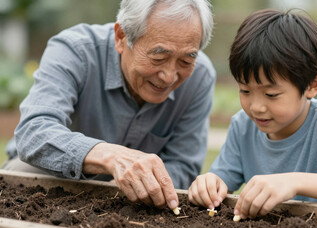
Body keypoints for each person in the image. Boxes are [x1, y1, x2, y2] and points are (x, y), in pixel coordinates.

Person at [3, 0, 215, 211]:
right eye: (159, 58)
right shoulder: (75, 50)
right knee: (20, 177)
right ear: (121, 37)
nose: (169, 76)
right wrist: (111, 157)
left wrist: (134, 186)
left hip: (128, 201)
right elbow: (34, 131)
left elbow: (184, 165)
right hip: (53, 179)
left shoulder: (201, 77)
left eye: (186, 62)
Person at [188, 9, 317, 220]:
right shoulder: (243, 126)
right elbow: (220, 182)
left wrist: (293, 182)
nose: (256, 107)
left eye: (271, 94)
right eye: (245, 90)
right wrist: (209, 183)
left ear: (313, 85)